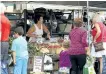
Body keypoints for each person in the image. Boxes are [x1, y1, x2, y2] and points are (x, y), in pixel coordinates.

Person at [0, 3, 11, 74]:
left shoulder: (0, 18)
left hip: (1, 42)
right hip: (6, 43)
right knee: (4, 63)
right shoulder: (7, 19)